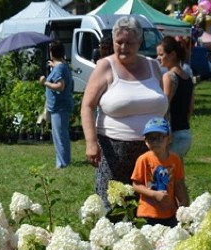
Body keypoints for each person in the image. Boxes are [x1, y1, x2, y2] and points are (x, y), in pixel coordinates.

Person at [81, 16, 168, 206]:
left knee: (152, 207)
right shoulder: (105, 66)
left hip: (153, 149)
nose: (123, 47)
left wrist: (167, 137)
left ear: (139, 42)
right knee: (114, 208)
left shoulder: (154, 66)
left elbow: (162, 105)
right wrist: (91, 142)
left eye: (129, 42)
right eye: (119, 42)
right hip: (115, 151)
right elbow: (87, 105)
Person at [131, 117, 190, 227]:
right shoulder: (143, 160)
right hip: (148, 214)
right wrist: (154, 194)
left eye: (159, 137)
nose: (155, 142)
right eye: (150, 138)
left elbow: (178, 184)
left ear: (169, 139)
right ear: (145, 141)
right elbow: (136, 185)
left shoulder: (175, 160)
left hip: (170, 213)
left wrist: (183, 203)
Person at [157, 36, 195, 158]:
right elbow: (190, 108)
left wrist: (164, 134)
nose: (158, 58)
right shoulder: (188, 78)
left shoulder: (169, 77)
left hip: (173, 135)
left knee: (163, 173)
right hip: (185, 133)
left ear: (172, 54)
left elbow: (164, 106)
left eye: (161, 54)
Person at [39, 40, 74, 169]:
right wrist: (53, 65)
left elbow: (60, 86)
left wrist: (45, 83)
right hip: (61, 106)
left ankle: (62, 163)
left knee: (60, 136)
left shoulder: (59, 68)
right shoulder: (62, 65)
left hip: (60, 107)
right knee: (61, 135)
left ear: (51, 53)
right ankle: (63, 161)